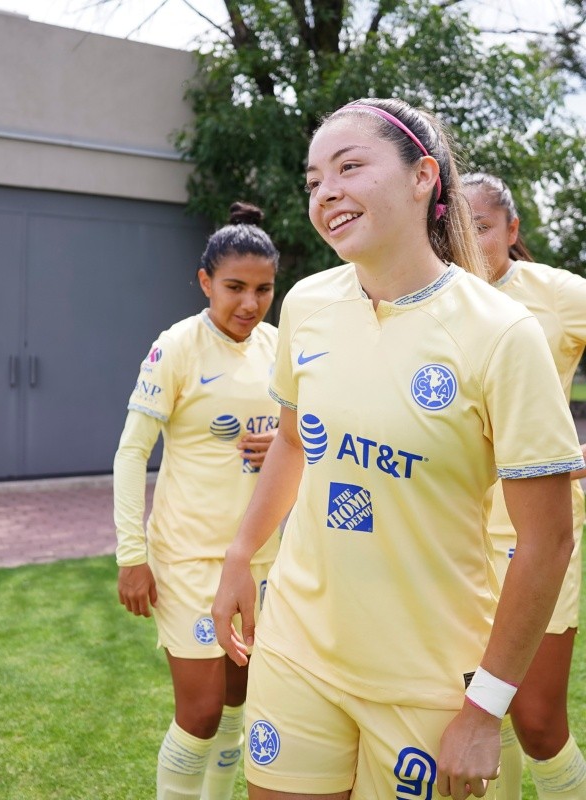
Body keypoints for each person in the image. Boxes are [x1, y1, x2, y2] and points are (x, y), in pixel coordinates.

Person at [211, 97, 584, 800]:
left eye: (350, 166)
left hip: (430, 674)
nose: (327, 192)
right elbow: (294, 438)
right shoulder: (308, 304)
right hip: (298, 646)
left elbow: (549, 542)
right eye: (314, 179)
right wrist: (241, 553)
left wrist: (485, 706)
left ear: (423, 180)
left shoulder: (502, 333)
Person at [113, 202, 281, 800]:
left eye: (263, 289)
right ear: (206, 281)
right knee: (202, 711)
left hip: (261, 560)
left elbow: (311, 440)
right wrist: (131, 555)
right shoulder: (177, 346)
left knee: (241, 703)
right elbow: (132, 453)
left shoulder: (279, 349)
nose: (248, 304)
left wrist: (288, 447)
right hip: (188, 560)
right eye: (234, 287)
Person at [461, 172, 586, 800]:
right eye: (456, 225)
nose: (469, 239)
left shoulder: (555, 295)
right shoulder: (439, 298)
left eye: (482, 226)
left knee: (537, 721)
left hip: (536, 536)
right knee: (479, 703)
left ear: (512, 230)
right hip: (452, 530)